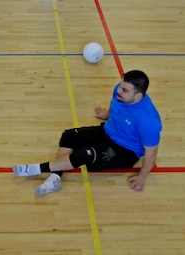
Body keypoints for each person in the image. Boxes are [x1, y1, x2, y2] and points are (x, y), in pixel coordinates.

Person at [12, 70, 162, 196]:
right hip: (108, 131)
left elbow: (151, 153)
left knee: (86, 154)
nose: (118, 90)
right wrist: (107, 115)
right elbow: (115, 105)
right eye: (121, 85)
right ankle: (55, 179)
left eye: (124, 90)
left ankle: (35, 169)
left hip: (124, 151)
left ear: (138, 96)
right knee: (70, 135)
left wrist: (142, 176)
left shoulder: (148, 120)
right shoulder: (120, 91)